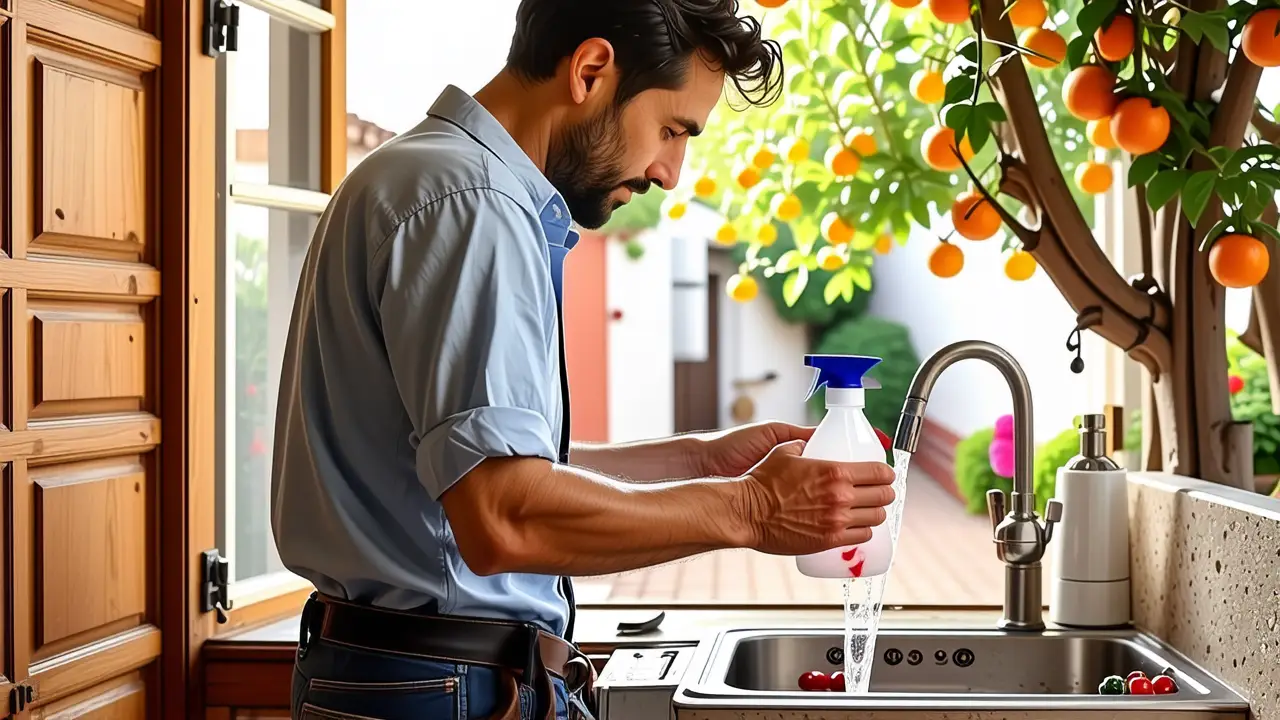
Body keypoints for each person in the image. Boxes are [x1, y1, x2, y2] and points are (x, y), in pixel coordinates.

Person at [271, 1, 897, 718]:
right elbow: (503, 517)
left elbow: (500, 478)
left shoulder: (426, 177)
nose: (671, 172)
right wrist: (753, 508)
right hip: (442, 686)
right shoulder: (473, 205)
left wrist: (703, 463)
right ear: (591, 69)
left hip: (408, 673)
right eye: (670, 129)